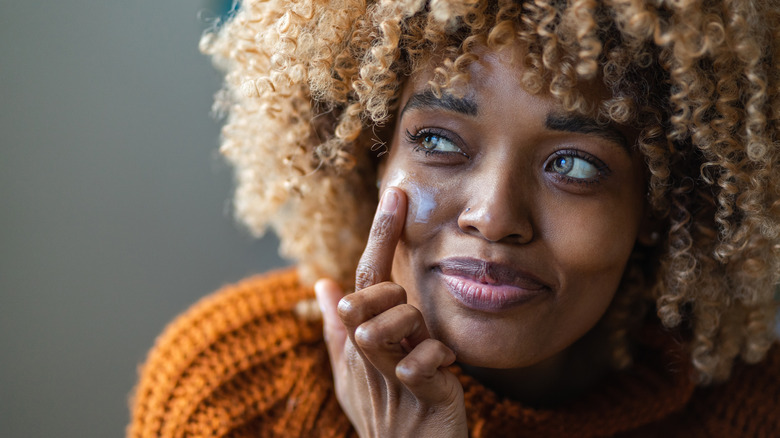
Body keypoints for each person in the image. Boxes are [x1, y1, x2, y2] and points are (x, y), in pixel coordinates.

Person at [129, 0, 780, 436]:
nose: (494, 216)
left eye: (575, 165)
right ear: (372, 157)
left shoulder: (750, 411)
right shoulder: (235, 398)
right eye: (438, 142)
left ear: (663, 198)